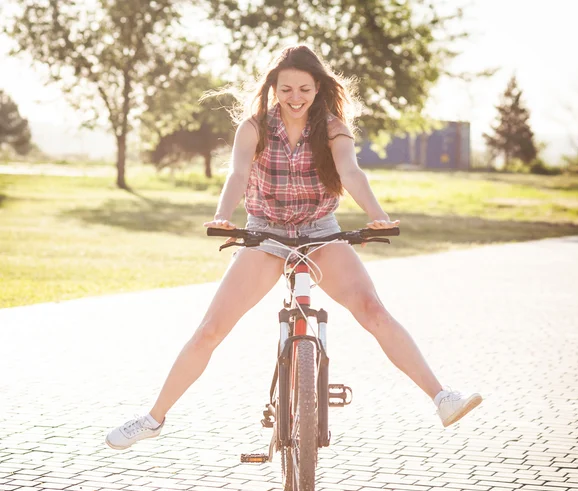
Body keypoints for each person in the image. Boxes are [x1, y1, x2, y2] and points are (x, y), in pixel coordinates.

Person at [105, 45, 482, 450]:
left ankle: (441, 398)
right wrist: (222, 215)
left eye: (304, 88)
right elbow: (237, 174)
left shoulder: (335, 129)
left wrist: (377, 215)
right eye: (286, 88)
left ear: (318, 88)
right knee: (210, 330)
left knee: (373, 310)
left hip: (321, 232)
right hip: (266, 234)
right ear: (274, 88)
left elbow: (351, 173)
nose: (295, 97)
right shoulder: (253, 128)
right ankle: (153, 418)